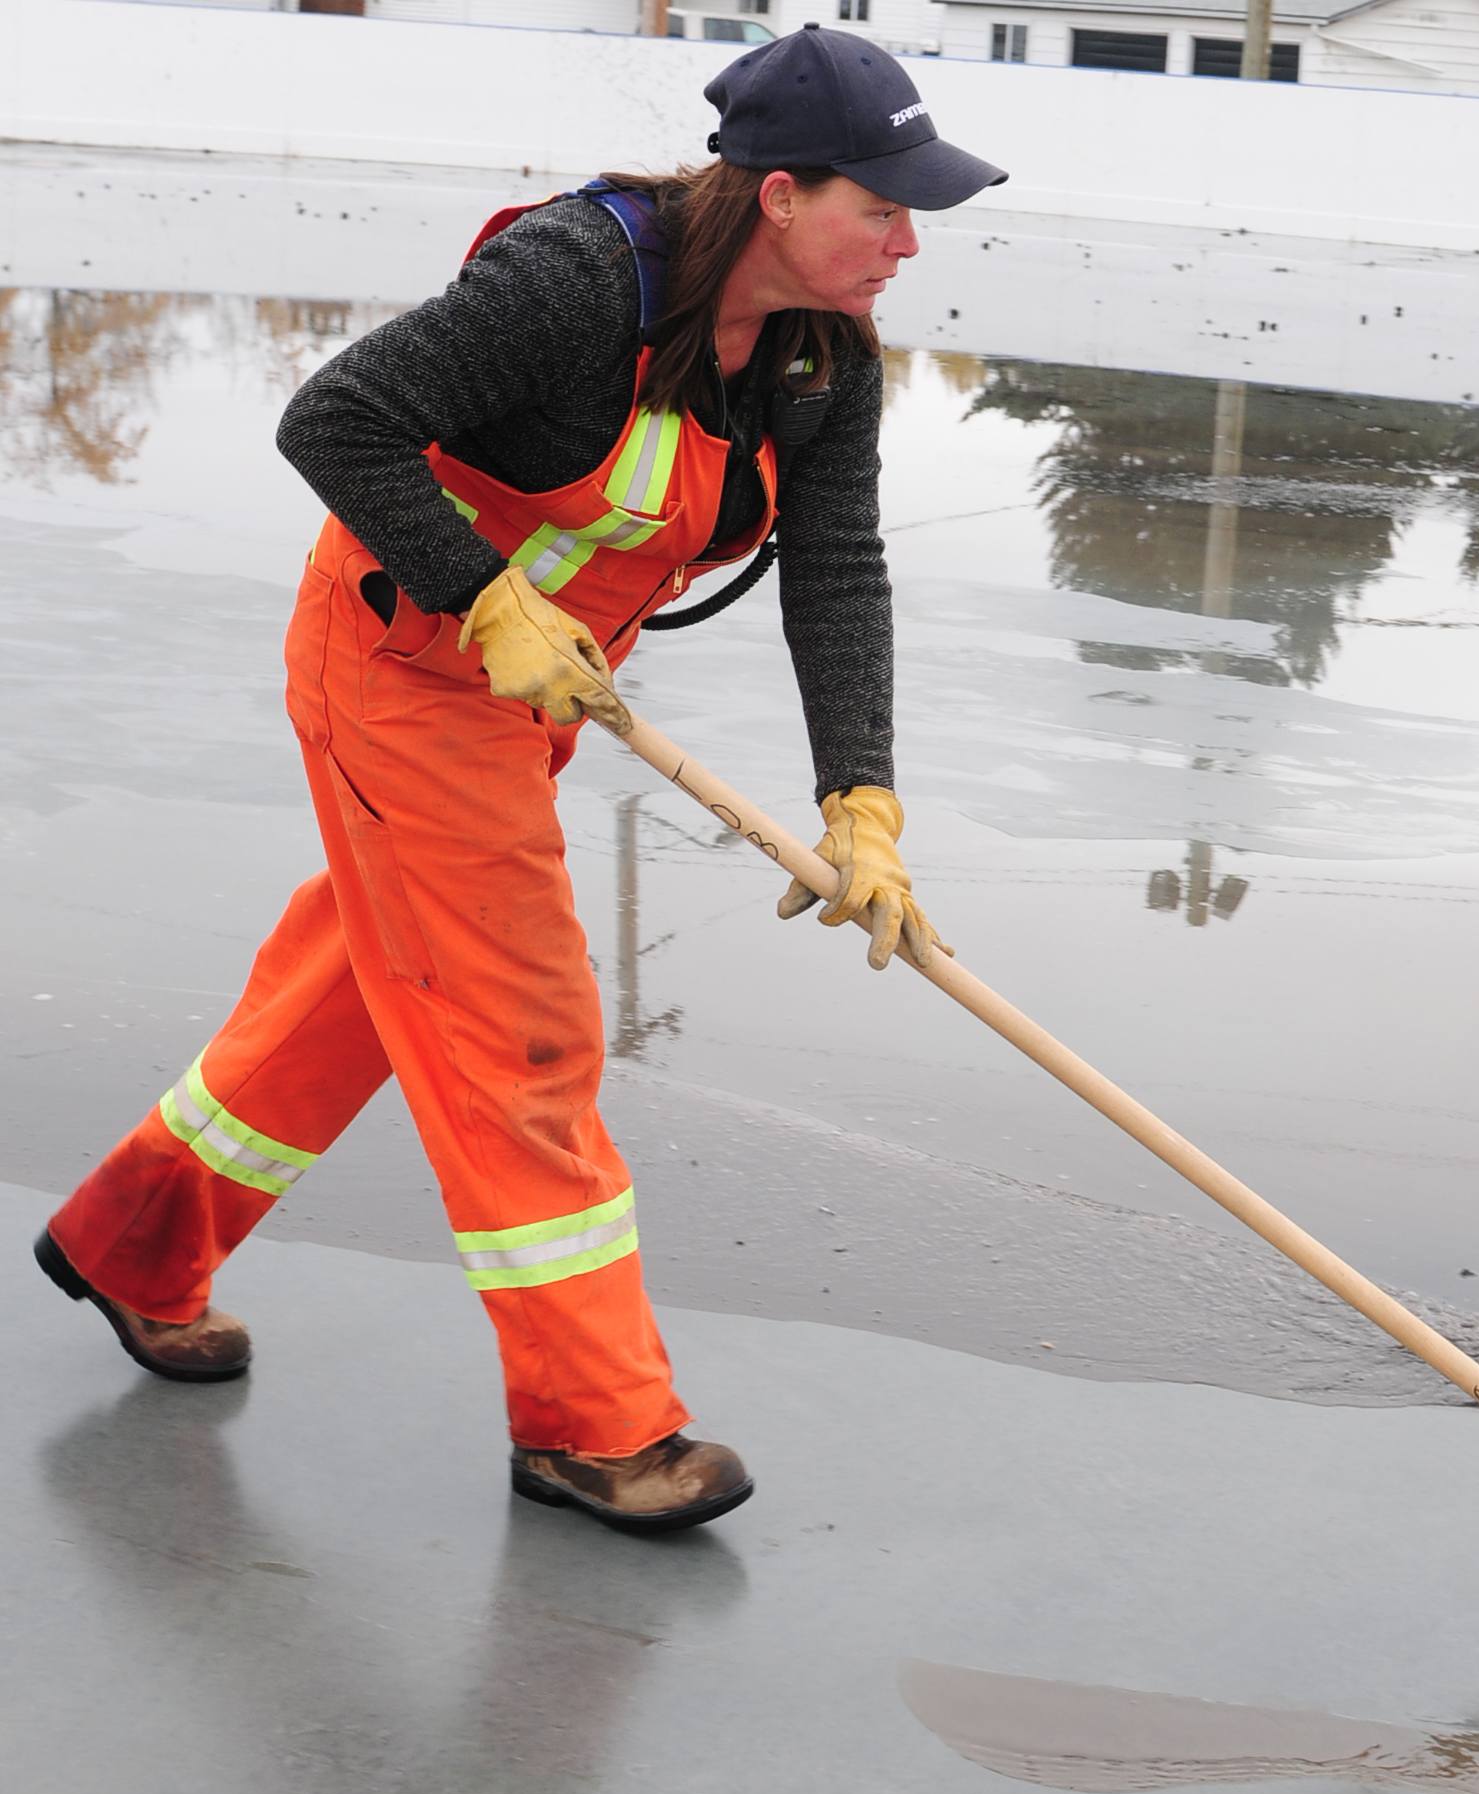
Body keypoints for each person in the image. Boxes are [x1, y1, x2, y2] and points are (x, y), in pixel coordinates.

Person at [32, 26, 1005, 1532]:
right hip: (399, 669)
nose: (905, 235)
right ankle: (595, 1426)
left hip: (529, 702)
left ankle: (132, 1239)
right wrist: (480, 595)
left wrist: (860, 802)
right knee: (523, 1032)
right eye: (879, 203)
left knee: (371, 981)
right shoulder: (574, 280)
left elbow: (838, 572)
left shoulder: (816, 362)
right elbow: (335, 418)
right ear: (777, 197)